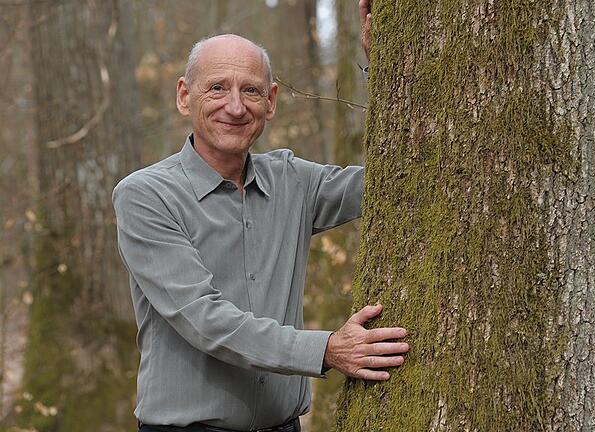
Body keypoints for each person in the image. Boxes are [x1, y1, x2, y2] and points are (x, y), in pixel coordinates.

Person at [112, 2, 408, 431]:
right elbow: (205, 319)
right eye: (217, 88)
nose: (235, 107)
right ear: (184, 96)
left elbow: (398, 177)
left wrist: (388, 62)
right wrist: (326, 349)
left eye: (251, 91)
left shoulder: (292, 180)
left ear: (270, 102)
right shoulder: (145, 196)